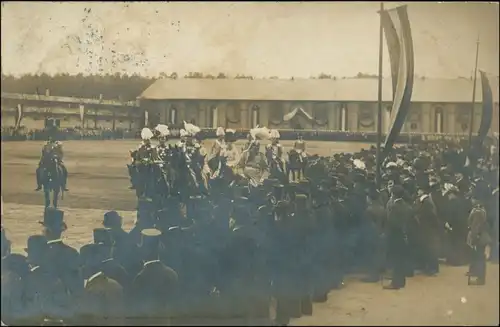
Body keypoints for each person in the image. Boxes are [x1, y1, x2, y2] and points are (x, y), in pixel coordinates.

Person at [384, 185, 411, 290]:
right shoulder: (405, 205)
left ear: (393, 195)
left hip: (395, 235)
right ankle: (401, 281)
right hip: (403, 235)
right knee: (400, 259)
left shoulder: (394, 207)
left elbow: (391, 222)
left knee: (396, 259)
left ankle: (395, 283)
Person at [466, 196, 491, 285]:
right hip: (482, 236)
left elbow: (475, 226)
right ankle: (480, 278)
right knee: (481, 258)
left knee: (478, 257)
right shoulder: (482, 210)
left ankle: (479, 278)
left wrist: (473, 237)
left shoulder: (477, 211)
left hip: (478, 237)